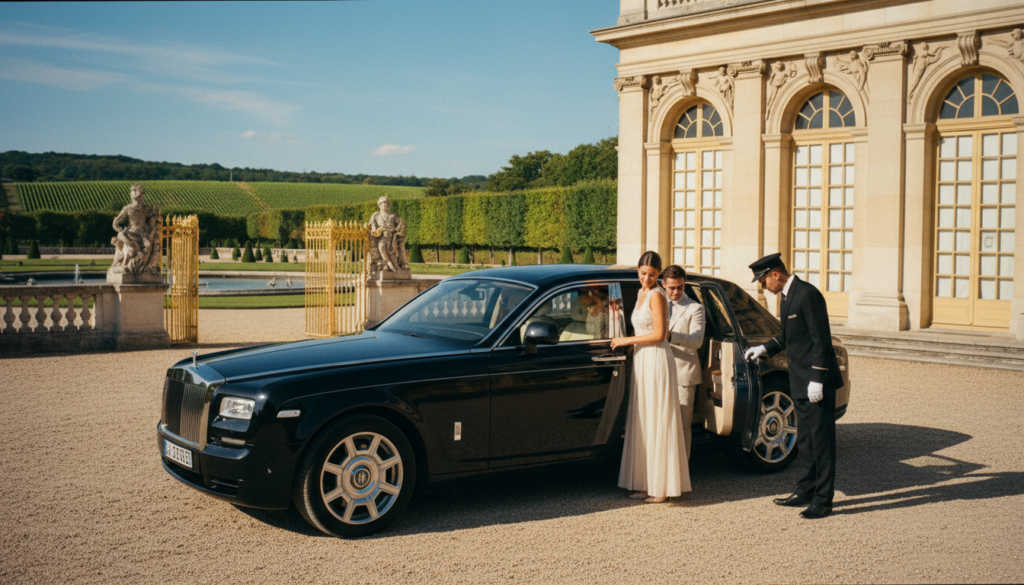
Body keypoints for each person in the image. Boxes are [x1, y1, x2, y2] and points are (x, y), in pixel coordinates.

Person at [744, 253, 844, 519]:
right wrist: (763, 348)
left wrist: (817, 379)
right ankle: (805, 490)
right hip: (799, 379)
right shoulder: (787, 296)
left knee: (822, 442)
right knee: (805, 439)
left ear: (775, 274)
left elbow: (821, 341)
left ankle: (823, 500)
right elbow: (787, 336)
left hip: (815, 381)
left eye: (764, 280)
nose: (763, 285)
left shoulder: (807, 294)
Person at [612, 251, 690, 503]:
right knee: (644, 418)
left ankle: (662, 487)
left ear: (659, 275)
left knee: (657, 418)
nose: (646, 278)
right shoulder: (640, 293)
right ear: (638, 271)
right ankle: (645, 483)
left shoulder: (657, 295)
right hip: (642, 360)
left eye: (652, 275)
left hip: (656, 359)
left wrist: (627, 340)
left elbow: (659, 334)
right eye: (643, 273)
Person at [661, 265, 706, 460]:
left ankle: (681, 476)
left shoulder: (695, 308)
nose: (676, 292)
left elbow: (697, 340)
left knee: (681, 427)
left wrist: (670, 336)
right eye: (672, 287)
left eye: (680, 287)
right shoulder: (655, 303)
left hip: (684, 376)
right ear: (663, 285)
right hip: (658, 372)